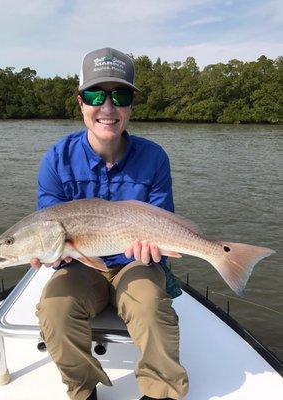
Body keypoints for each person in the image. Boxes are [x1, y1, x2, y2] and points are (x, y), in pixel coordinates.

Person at [31, 47, 189, 400]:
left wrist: (152, 252)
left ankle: (161, 390)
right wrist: (51, 253)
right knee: (54, 309)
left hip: (136, 262)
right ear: (80, 102)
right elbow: (49, 228)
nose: (107, 107)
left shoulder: (154, 158)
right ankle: (83, 388)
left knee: (149, 304)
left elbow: (163, 222)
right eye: (94, 95)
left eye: (120, 95)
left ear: (131, 105)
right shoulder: (56, 160)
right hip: (80, 266)